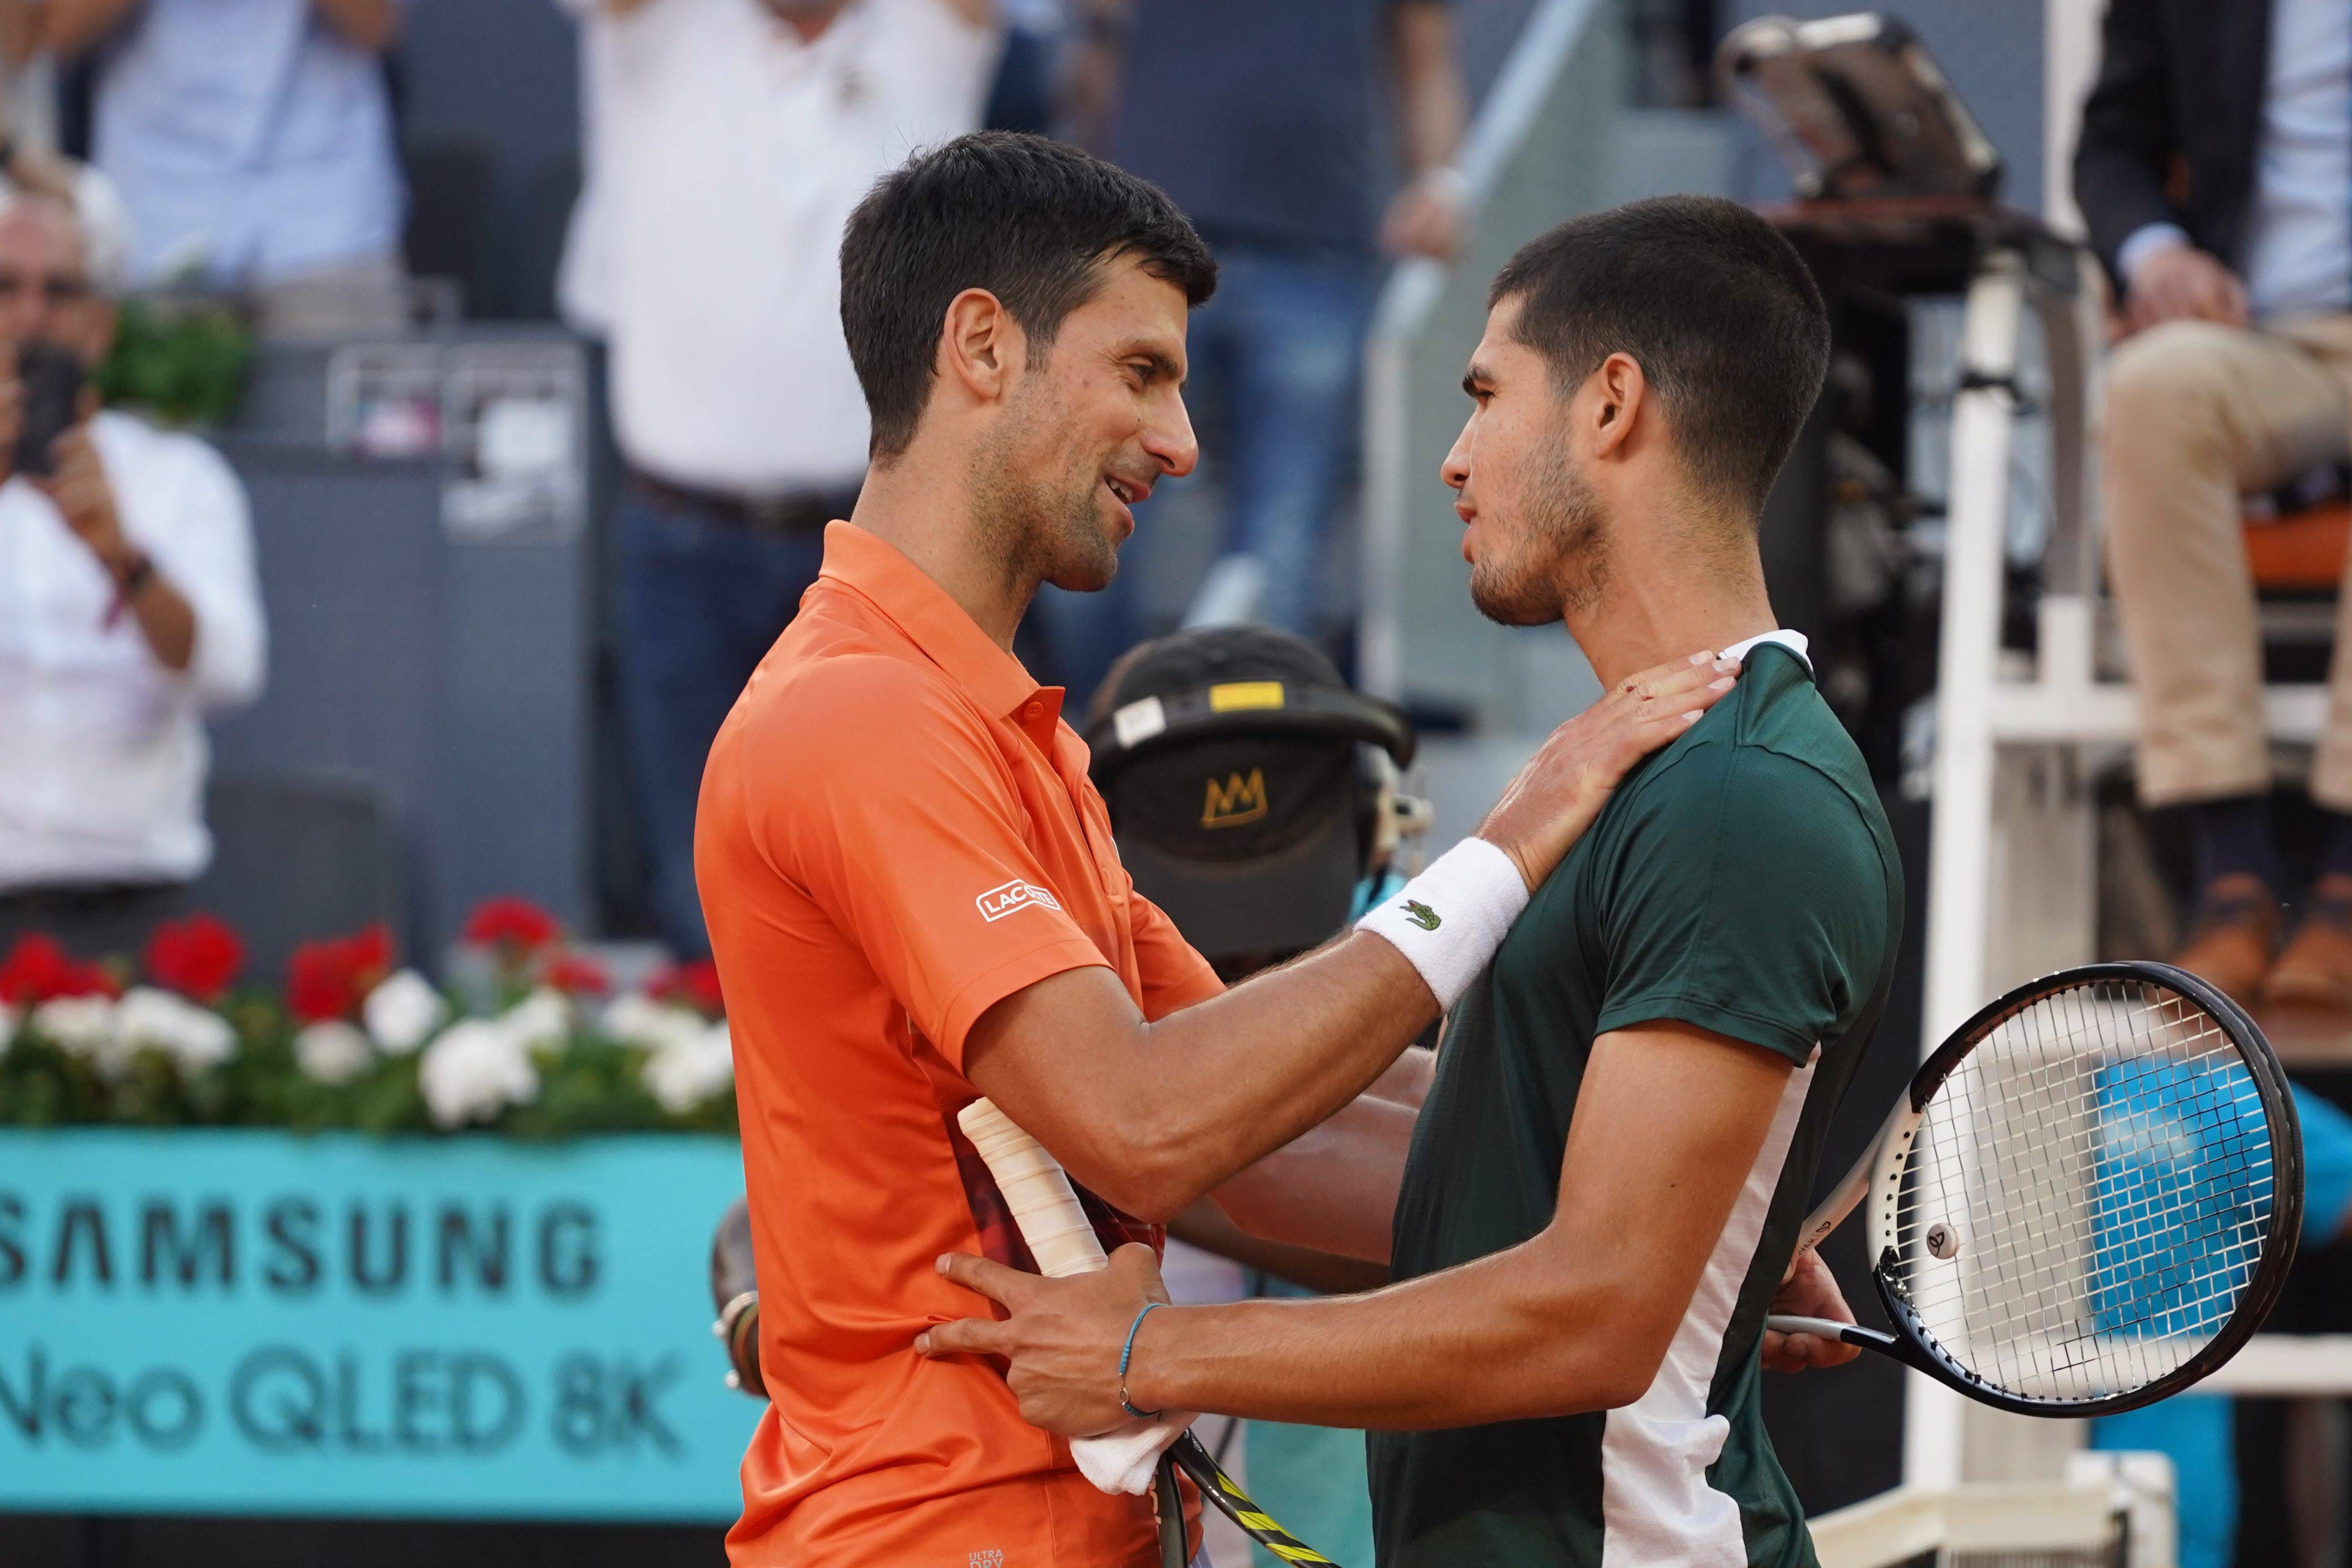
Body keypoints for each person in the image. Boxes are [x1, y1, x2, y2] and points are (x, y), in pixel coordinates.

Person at [694, 135, 1741, 1567]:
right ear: (982, 347)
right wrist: (1511, 840)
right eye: (1141, 372)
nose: (1182, 441)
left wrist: (1680, 1212)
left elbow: (1269, 1139)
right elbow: (1145, 1122)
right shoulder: (860, 714)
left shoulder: (1001, 733)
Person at [919, 195, 1903, 1568]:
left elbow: (1593, 1313)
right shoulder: (1650, 772)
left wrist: (1156, 1352)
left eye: (1486, 395)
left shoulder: (1738, 801)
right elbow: (1478, 1161)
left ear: (1611, 404)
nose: (1453, 458)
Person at [559, 0, 1000, 960]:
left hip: (879, 546)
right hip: (677, 537)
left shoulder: (926, 35)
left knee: (881, 882)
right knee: (702, 888)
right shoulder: (657, 31)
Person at [1027, 0, 1466, 698]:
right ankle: (1095, 734)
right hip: (1144, 245)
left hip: (1314, 250)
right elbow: (1097, 45)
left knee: (1282, 539)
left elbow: (1426, 52)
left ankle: (1257, 747)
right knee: (1082, 502)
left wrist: (1441, 184)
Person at [2076, 0, 2352, 1015]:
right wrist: (2155, 254)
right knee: (2153, 388)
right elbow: (2113, 143)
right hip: (2260, 330)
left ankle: (2346, 884)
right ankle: (2231, 870)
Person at [0, 189, 266, 956]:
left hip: (134, 905)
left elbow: (229, 674)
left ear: (100, 324)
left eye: (58, 291)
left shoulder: (181, 477)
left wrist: (125, 558)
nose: (29, 317)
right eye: (4, 287)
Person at [51, 0, 410, 336]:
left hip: (323, 213)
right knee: (142, 382)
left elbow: (377, 26)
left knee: (349, 379)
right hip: (156, 215)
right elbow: (58, 33)